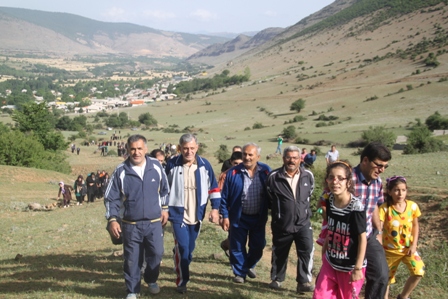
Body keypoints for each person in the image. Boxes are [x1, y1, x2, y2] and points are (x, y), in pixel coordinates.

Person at [105, 134, 169, 299]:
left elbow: (164, 189)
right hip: (130, 224)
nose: (136, 152)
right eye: (132, 149)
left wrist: (165, 208)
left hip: (154, 222)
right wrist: (112, 219)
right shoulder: (121, 171)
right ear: (127, 149)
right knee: (132, 259)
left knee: (156, 254)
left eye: (139, 148)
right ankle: (133, 290)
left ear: (145, 149)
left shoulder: (156, 166)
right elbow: (111, 197)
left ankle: (151, 279)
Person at [165, 133, 220, 294]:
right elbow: (163, 188)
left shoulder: (204, 165)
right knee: (183, 247)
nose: (189, 152)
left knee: (188, 250)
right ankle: (182, 281)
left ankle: (180, 256)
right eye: (185, 148)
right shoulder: (172, 164)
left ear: (197, 148)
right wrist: (164, 209)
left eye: (192, 148)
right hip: (177, 214)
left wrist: (215, 209)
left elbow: (214, 188)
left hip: (197, 215)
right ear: (180, 148)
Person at [313, 161, 367, 299]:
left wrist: (358, 268)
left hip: (350, 267)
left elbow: (362, 239)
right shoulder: (330, 200)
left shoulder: (356, 207)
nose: (335, 182)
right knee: (319, 295)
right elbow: (331, 228)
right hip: (331, 262)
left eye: (340, 178)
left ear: (348, 182)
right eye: (331, 177)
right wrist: (324, 253)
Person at [266, 146, 315, 293]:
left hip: (303, 223)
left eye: (295, 157)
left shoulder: (308, 176)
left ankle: (303, 282)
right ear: (283, 159)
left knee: (306, 251)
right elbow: (269, 199)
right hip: (282, 223)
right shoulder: (274, 177)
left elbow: (309, 195)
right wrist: (280, 213)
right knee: (280, 252)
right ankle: (277, 279)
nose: (291, 160)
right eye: (288, 157)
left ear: (300, 159)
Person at [220, 143, 271, 283]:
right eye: (244, 154)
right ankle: (240, 274)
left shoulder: (266, 171)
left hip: (258, 217)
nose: (247, 158)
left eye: (250, 155)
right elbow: (224, 197)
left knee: (258, 245)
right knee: (237, 246)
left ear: (258, 157)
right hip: (238, 217)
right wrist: (224, 216)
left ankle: (249, 265)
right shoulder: (233, 172)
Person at [352, 142, 391, 299]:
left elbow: (374, 205)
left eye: (385, 167)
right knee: (345, 277)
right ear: (365, 160)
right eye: (379, 165)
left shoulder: (378, 182)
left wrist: (379, 231)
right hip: (348, 238)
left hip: (369, 235)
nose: (381, 170)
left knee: (381, 275)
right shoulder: (347, 178)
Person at [380, 176, 424, 299]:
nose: (400, 193)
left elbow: (415, 226)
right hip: (390, 251)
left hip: (408, 249)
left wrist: (414, 245)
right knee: (386, 279)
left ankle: (403, 296)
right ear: (389, 191)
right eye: (396, 190)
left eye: (403, 190)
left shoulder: (412, 206)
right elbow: (378, 227)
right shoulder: (384, 208)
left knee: (419, 271)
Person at [217, 151, 244, 258]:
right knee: (234, 235)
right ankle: (236, 260)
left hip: (244, 210)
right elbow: (220, 194)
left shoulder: (247, 174)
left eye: (240, 163)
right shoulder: (225, 175)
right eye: (235, 163)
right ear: (231, 162)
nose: (238, 166)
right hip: (230, 210)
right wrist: (222, 214)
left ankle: (226, 245)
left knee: (240, 235)